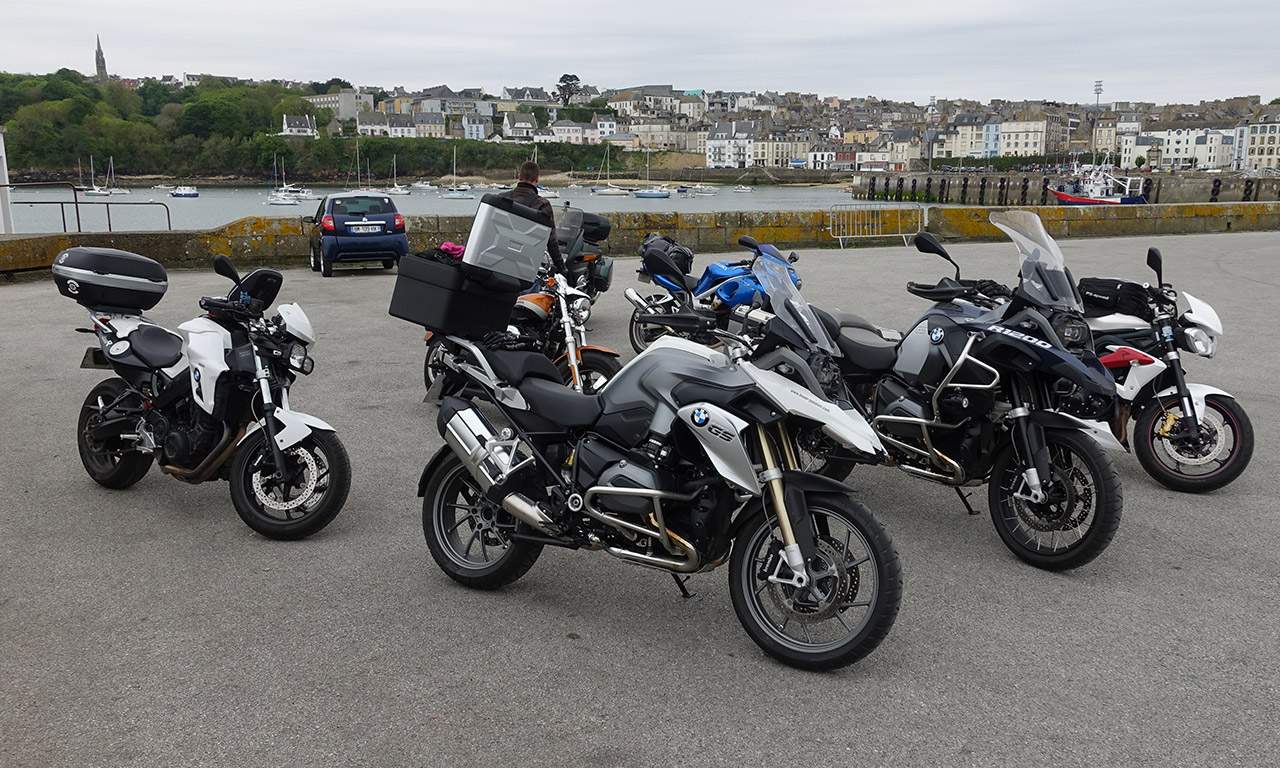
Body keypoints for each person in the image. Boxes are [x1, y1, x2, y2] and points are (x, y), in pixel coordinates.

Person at [500, 161, 565, 274]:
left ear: (519, 177)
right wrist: (561, 267)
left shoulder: (501, 198)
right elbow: (551, 241)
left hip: (498, 259)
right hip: (524, 266)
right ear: (537, 179)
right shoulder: (542, 204)